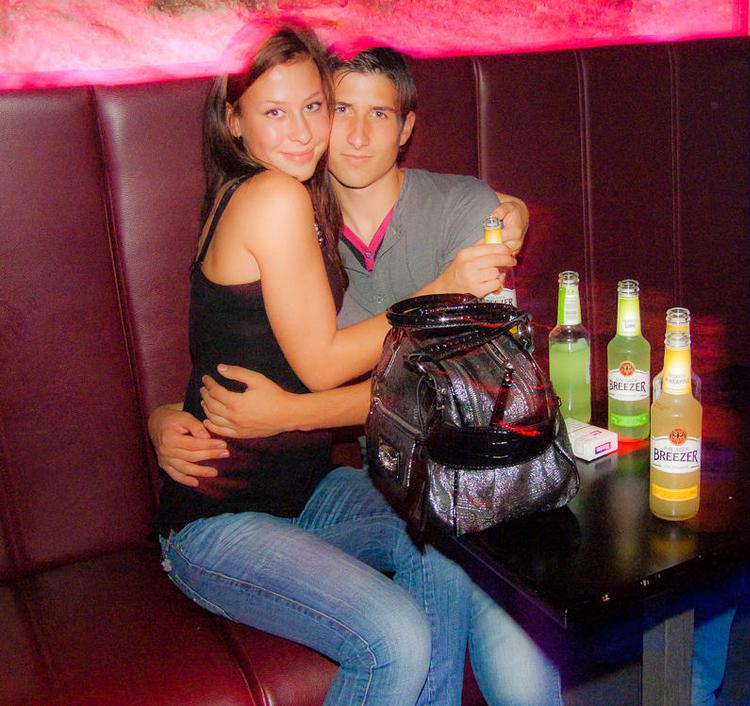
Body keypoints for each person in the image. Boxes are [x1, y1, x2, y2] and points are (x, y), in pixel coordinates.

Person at [152, 31, 562, 706]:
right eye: (274, 111)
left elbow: (229, 342)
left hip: (310, 490)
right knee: (394, 636)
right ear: (233, 121)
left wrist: (507, 209)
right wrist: (442, 288)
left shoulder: (300, 195)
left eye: (314, 106)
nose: (302, 130)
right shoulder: (274, 196)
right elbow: (320, 367)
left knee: (445, 531)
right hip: (218, 518)